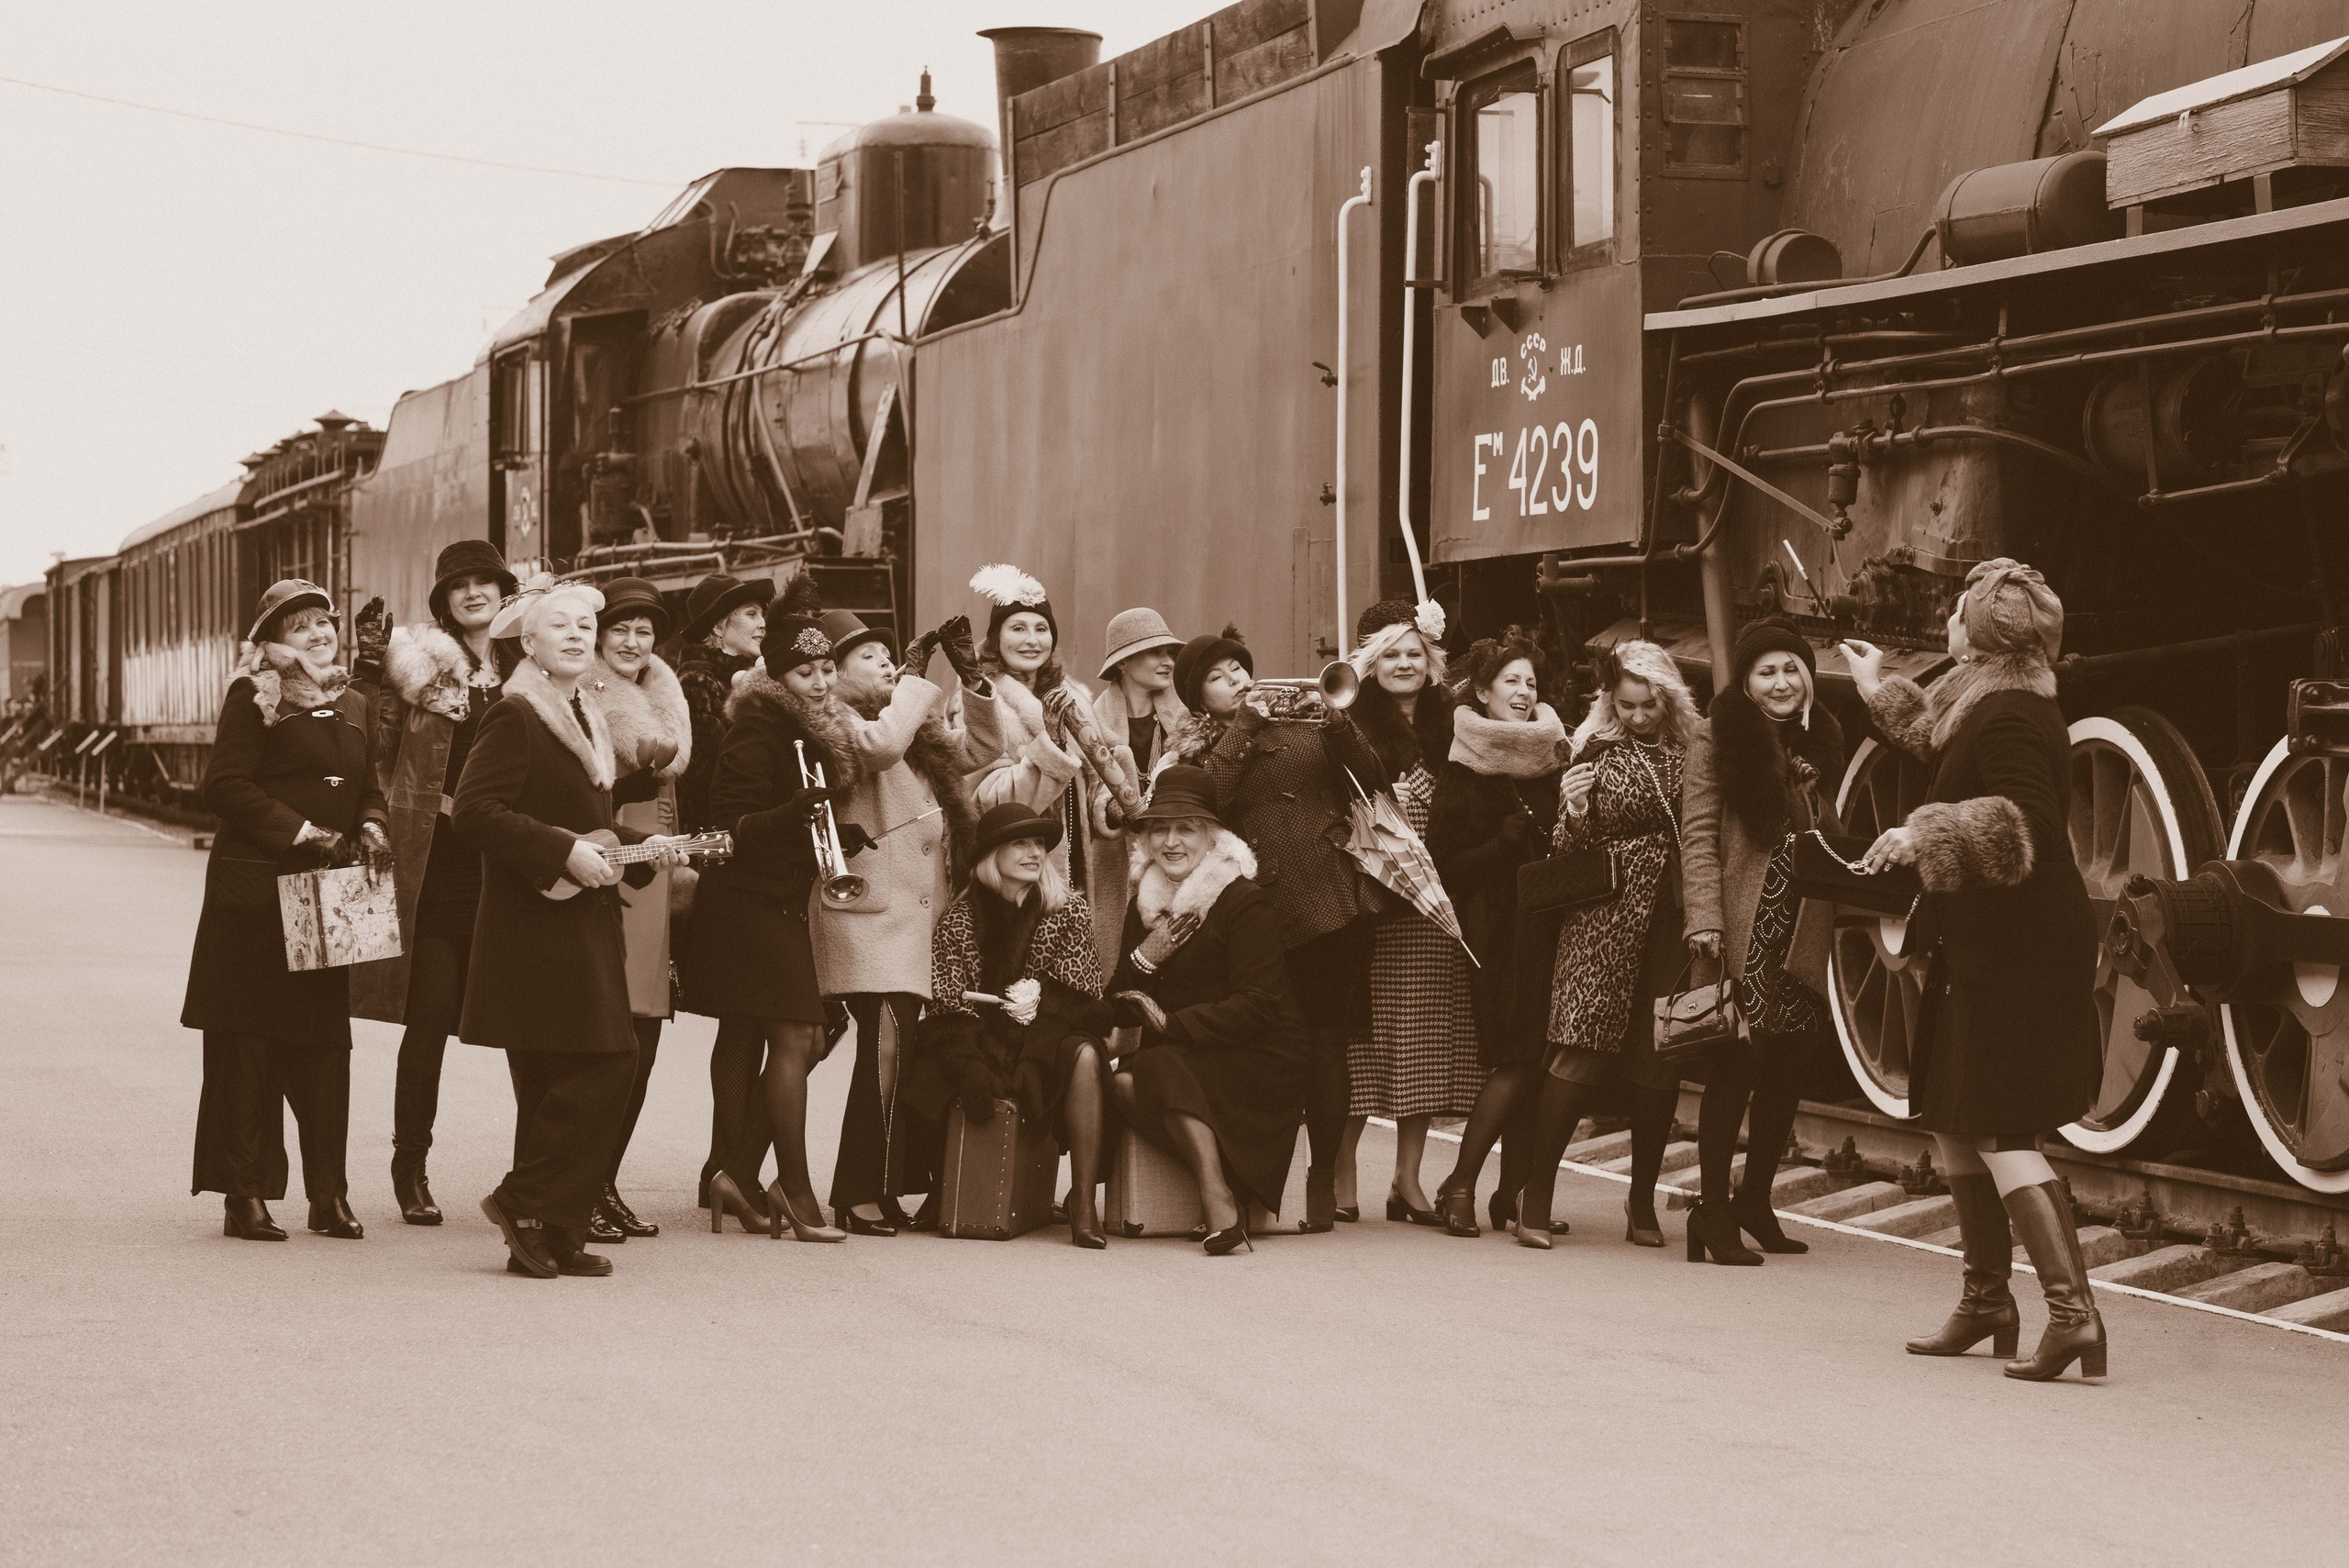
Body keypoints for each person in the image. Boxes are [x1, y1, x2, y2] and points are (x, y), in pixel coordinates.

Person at [1844, 559, 2105, 1382]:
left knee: (2000, 1124)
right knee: (1956, 1116)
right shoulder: (1987, 700)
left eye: (1957, 611)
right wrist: (1876, 687)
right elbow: (1938, 742)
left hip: (2019, 953)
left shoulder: (2014, 716)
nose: (1947, 621)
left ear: (1980, 633)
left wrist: (1927, 833)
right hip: (1983, 945)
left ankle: (2075, 1317)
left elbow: (2026, 826)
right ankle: (1989, 1297)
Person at [457, 583, 684, 1278]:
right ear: (529, 643)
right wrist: (562, 852)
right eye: (562, 625)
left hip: (578, 919)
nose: (580, 634)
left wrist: (640, 851)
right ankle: (523, 1200)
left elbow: (577, 815)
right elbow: (476, 812)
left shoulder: (583, 708)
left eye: (587, 624)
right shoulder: (516, 715)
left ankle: (553, 1230)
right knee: (605, 1065)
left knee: (566, 1074)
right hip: (534, 926)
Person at [184, 580, 392, 1241]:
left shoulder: (352, 701)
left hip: (326, 901)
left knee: (325, 1050)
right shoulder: (255, 696)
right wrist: (300, 830)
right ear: (273, 641)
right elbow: (224, 785)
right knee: (249, 1046)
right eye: (299, 626)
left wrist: (374, 826)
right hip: (254, 899)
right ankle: (243, 1195)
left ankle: (328, 1196)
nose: (318, 634)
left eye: (323, 623)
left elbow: (370, 788)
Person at [1162, 626, 1386, 1230]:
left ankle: (1321, 1178)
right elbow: (1212, 799)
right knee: (1270, 1051)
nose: (1236, 678)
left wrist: (1337, 721)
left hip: (1330, 903)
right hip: (1256, 914)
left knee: (1327, 1045)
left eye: (1239, 667)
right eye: (1218, 675)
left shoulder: (1306, 723)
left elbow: (1372, 772)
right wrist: (1245, 728)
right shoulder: (1199, 749)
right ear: (1197, 698)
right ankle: (1262, 1175)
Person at [807, 606, 1000, 1234]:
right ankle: (856, 1189)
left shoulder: (899, 715)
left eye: (891, 653)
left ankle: (878, 1184)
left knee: (896, 1050)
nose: (888, 662)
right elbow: (881, 748)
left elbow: (980, 750)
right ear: (830, 673)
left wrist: (970, 681)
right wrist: (916, 685)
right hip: (869, 912)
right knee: (884, 1047)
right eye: (870, 655)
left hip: (911, 915)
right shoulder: (835, 716)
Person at [675, 608, 860, 1242]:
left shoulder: (803, 728)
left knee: (799, 1035)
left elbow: (786, 829)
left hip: (775, 899)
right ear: (778, 673)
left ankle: (735, 1173)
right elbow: (729, 830)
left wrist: (836, 837)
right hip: (744, 903)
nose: (820, 681)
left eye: (827, 668)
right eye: (805, 671)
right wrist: (792, 814)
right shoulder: (757, 729)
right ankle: (795, 1189)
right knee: (802, 1032)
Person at [1510, 640, 1701, 1252]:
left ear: (1666, 698)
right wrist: (1576, 807)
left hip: (1670, 918)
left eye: (1650, 705)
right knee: (1578, 1052)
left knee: (1659, 1056)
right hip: (1603, 920)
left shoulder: (1693, 752)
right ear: (1612, 701)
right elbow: (1567, 850)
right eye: (1629, 705)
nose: (1640, 716)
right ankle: (1534, 1195)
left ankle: (1641, 1199)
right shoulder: (1594, 749)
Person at [351, 539, 516, 1226]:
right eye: (460, 584)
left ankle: (543, 1173)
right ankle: (410, 1164)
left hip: (517, 869)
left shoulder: (533, 667)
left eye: (486, 581)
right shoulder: (417, 672)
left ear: (506, 592)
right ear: (443, 601)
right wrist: (366, 670)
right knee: (429, 1023)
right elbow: (371, 747)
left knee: (536, 1028)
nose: (474, 592)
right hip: (446, 869)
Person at [1680, 617, 1845, 1258]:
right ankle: (1711, 1211)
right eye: (1766, 671)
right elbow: (1697, 833)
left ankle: (1756, 1198)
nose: (1781, 682)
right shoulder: (1715, 735)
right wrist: (1704, 920)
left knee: (1787, 1069)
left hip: (1802, 926)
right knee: (1737, 1065)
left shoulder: (1821, 739)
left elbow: (1830, 831)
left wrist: (1811, 794)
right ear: (1747, 684)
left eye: (1791, 669)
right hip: (1743, 927)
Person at [1105, 766, 1310, 1255]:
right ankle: (1229, 1184)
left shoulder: (1242, 899)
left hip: (1260, 1055)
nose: (1171, 841)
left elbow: (1260, 1005)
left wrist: (1172, 1025)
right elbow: (1117, 1001)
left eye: (1186, 828)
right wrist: (1143, 959)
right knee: (1124, 1081)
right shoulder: (1147, 902)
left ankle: (1217, 1198)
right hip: (1187, 1058)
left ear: (1212, 837)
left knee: (1152, 1064)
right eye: (1159, 829)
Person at [905, 803, 1113, 1248]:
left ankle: (1083, 1202)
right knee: (932, 1061)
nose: (1035, 852)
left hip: (1049, 1034)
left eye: (1039, 843)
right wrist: (968, 1064)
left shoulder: (1068, 910)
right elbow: (947, 1003)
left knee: (1087, 1053)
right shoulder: (959, 919)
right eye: (1020, 843)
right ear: (991, 855)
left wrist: (1036, 1055)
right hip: (982, 1035)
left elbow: (1082, 998)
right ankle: (947, 1185)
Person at [1426, 631, 1569, 1238]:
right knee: (1516, 1056)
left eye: (1531, 683)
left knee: (1538, 1058)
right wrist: (1501, 843)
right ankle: (1459, 1183)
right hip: (1496, 926)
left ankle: (1510, 1195)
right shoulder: (1464, 768)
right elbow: (1444, 865)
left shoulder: (1556, 756)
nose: (1523, 691)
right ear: (1482, 692)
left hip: (1550, 921)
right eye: (1510, 680)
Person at [1341, 600, 1481, 1224]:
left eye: (1414, 654)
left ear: (1431, 663)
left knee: (1424, 1036)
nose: (1404, 663)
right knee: (1361, 1040)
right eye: (1391, 654)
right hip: (1370, 899)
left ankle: (1407, 1178)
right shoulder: (1348, 720)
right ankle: (1340, 1169)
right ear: (1372, 663)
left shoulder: (1454, 723)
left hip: (1434, 901)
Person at [674, 570, 801, 1221]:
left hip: (750, 859)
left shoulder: (754, 683)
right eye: (747, 613)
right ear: (719, 627)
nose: (759, 621)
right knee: (750, 1022)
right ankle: (729, 1165)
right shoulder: (703, 685)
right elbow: (714, 781)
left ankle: (727, 1167)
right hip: (728, 861)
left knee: (751, 1024)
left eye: (760, 612)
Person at [582, 577, 692, 1242]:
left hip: (658, 867)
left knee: (643, 1044)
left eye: (645, 630)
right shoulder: (583, 691)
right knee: (608, 1041)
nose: (632, 641)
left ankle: (607, 1178)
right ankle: (582, 1181)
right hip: (607, 861)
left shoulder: (665, 693)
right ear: (598, 634)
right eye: (620, 627)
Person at [964, 564, 1102, 901]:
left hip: (1076, 855)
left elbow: (1096, 771)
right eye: (1018, 628)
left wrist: (1105, 803)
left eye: (1042, 628)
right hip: (1014, 868)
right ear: (996, 638)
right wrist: (1052, 748)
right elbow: (988, 801)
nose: (1031, 640)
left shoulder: (1074, 696)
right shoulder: (978, 701)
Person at [1085, 606, 1188, 963]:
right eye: (1154, 652)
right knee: (1116, 957)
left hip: (1177, 855)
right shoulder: (1091, 721)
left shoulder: (1187, 717)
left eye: (1169, 652)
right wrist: (1111, 808)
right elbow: (1085, 797)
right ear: (1124, 663)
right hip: (1115, 861)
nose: (1168, 661)